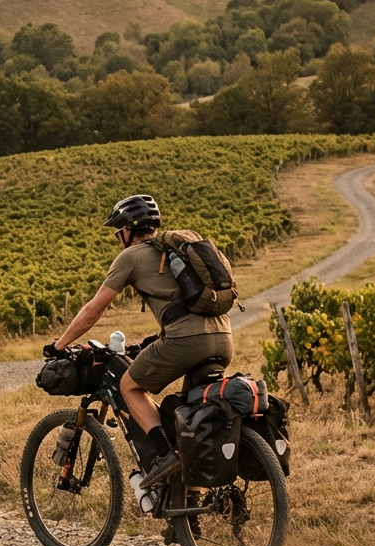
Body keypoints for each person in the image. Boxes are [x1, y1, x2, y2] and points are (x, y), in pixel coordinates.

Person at [44, 194, 234, 486]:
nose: (118, 237)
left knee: (129, 385)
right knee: (190, 423)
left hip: (186, 341)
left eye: (118, 231)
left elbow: (94, 309)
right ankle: (187, 516)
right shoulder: (175, 251)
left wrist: (59, 345)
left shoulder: (130, 256)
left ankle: (163, 455)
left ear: (128, 230)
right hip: (224, 338)